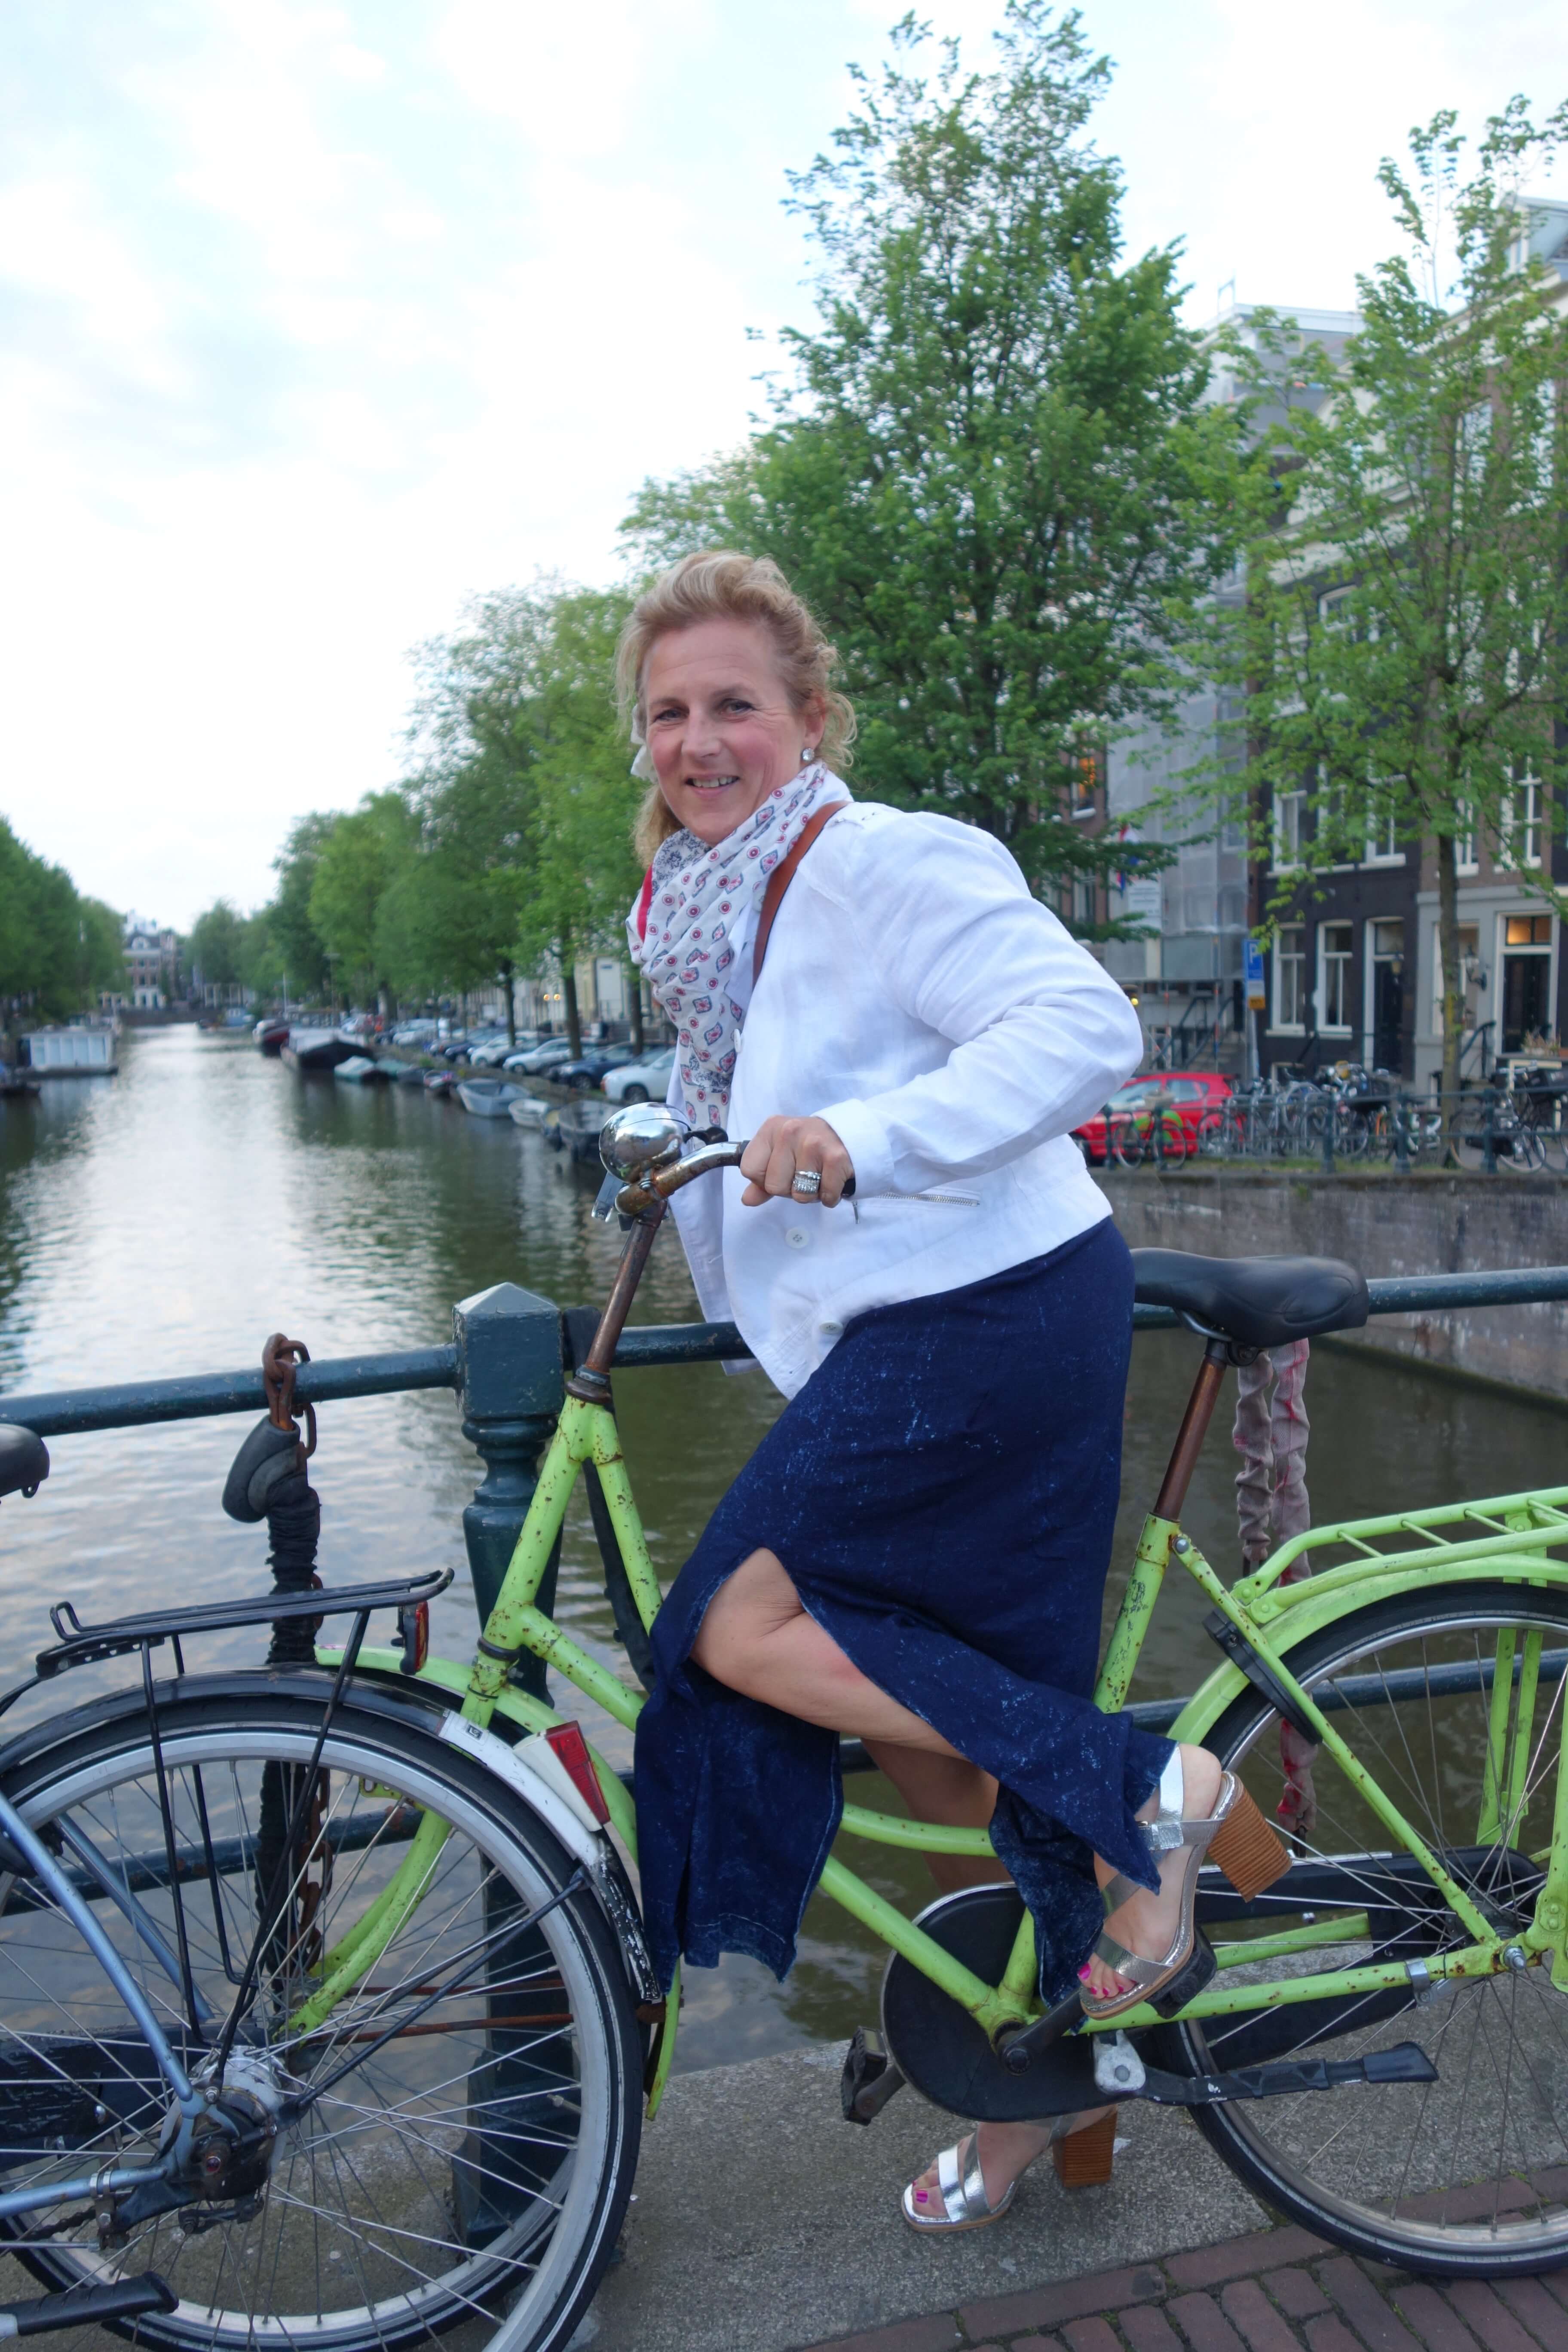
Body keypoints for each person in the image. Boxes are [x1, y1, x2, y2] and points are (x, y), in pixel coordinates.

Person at [621, 550, 1264, 2234]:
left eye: (734, 705)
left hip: (988, 1318)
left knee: (732, 1630)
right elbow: (779, 1072)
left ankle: (1155, 1790)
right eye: (670, 711)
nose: (700, 740)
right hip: (901, 1337)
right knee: (947, 1759)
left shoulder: (877, 861)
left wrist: (863, 1144)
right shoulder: (700, 918)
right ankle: (1057, 2097)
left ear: (809, 718)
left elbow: (1081, 1025)